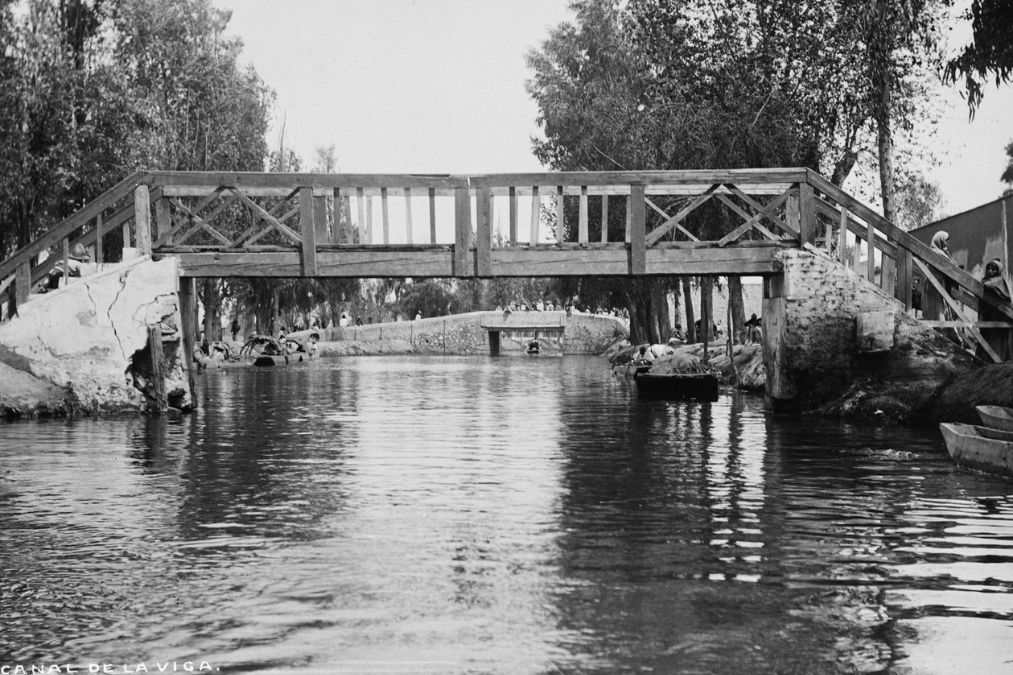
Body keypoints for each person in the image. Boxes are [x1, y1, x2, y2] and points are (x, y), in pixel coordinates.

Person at [978, 258, 1012, 361]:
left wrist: (984, 283)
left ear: (999, 271)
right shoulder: (987, 280)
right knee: (986, 338)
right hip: (988, 316)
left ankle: (997, 361)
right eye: (989, 268)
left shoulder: (999, 281)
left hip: (999, 317)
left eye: (994, 269)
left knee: (998, 342)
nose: (990, 271)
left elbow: (990, 286)